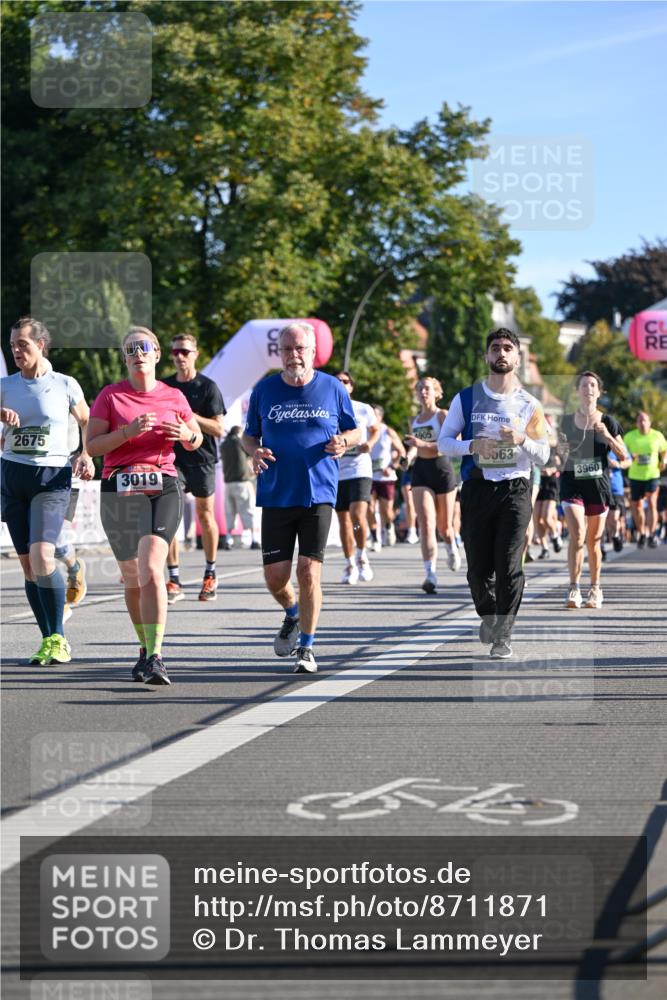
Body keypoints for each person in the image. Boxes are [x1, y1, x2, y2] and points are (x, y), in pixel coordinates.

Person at [87, 327, 203, 685]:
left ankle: (155, 656)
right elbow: (92, 447)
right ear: (125, 358)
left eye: (145, 348)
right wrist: (127, 432)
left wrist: (185, 435)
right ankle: (143, 648)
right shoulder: (110, 396)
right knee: (133, 576)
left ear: (155, 355)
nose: (138, 353)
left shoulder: (174, 396)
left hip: (162, 484)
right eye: (131, 349)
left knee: (152, 565)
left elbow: (196, 438)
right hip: (119, 487)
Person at [241, 322, 358, 674]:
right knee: (276, 579)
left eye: (301, 349)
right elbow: (249, 436)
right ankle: (292, 613)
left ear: (313, 351)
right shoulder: (264, 390)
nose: (294, 355)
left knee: (308, 571)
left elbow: (353, 430)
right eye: (288, 349)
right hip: (276, 493)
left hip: (318, 491)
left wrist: (344, 442)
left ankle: (306, 647)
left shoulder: (333, 388)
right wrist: (254, 451)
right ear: (280, 353)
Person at [438, 328, 550, 658]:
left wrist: (521, 440)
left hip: (515, 489)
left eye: (507, 348)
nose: (501, 353)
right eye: (495, 348)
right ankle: (488, 614)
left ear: (517, 357)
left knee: (509, 565)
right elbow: (444, 442)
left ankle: (504, 634)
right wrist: (473, 445)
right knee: (478, 571)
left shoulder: (530, 404)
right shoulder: (467, 398)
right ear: (486, 356)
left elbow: (544, 455)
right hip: (477, 489)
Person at [0, 317, 94, 665]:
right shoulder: (5, 385)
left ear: (41, 345)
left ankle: (59, 637)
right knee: (28, 567)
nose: (16, 351)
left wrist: (85, 453)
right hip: (12, 477)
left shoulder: (65, 384)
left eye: (22, 344)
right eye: (12, 346)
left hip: (52, 478)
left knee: (42, 556)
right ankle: (47, 639)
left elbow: (87, 420)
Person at [162, 333, 226, 601]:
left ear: (195, 354)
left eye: (185, 352)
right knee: (168, 518)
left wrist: (190, 417)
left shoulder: (208, 387)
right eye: (175, 352)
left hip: (202, 459)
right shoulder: (164, 386)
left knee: (205, 514)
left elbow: (219, 428)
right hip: (171, 459)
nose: (179, 356)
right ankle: (173, 579)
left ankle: (210, 573)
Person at [558, 371, 626, 609]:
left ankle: (595, 588)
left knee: (593, 541)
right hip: (572, 483)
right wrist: (560, 451)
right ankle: (574, 588)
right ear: (578, 391)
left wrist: (607, 435)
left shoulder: (608, 421)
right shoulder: (566, 421)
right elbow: (559, 453)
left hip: (597, 486)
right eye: (584, 385)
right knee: (577, 536)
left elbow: (623, 454)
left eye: (592, 385)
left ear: (599, 392)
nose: (588, 388)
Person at [403, 376, 460, 594]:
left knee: (444, 527)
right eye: (419, 389)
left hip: (442, 469)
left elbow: (452, 443)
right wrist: (408, 456)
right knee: (426, 524)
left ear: (436, 392)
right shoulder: (415, 420)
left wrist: (422, 443)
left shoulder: (443, 415)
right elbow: (414, 448)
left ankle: (451, 544)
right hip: (421, 472)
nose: (423, 392)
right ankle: (431, 574)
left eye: (427, 388)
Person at [334, 372, 379, 584]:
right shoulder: (326, 409)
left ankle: (362, 556)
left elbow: (375, 430)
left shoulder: (363, 408)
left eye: (345, 381)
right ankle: (350, 563)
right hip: (336, 471)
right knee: (343, 521)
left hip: (360, 469)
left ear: (351, 386)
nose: (341, 384)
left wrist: (370, 443)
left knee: (357, 515)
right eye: (337, 382)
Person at [623, 411, 667, 549]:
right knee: (637, 506)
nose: (642, 423)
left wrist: (664, 461)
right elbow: (621, 452)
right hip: (635, 476)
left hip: (652, 475)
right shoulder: (629, 436)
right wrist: (630, 456)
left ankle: (652, 534)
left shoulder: (657, 436)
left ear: (649, 422)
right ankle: (642, 533)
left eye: (644, 420)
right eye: (639, 421)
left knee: (652, 504)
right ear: (636, 423)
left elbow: (665, 450)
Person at [368, 405, 405, 549]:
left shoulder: (387, 432)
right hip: (369, 476)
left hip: (385, 477)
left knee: (386, 511)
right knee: (369, 508)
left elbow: (402, 451)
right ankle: (375, 538)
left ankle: (389, 526)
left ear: (380, 417)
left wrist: (392, 466)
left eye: (375, 415)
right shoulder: (364, 431)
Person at [220, 425, 259, 550]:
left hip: (228, 483)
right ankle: (254, 539)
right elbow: (250, 454)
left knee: (230, 512)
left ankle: (229, 539)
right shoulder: (240, 442)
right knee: (248, 511)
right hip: (242, 481)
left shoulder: (223, 444)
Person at [533, 415, 563, 560]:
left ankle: (555, 535)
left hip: (551, 481)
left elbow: (564, 462)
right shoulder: (536, 442)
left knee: (546, 516)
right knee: (537, 519)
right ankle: (545, 547)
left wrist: (553, 469)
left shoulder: (558, 443)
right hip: (539, 481)